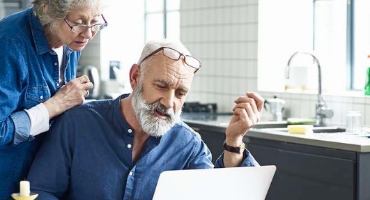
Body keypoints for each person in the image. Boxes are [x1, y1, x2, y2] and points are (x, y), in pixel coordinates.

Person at [27, 39, 264, 200]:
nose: (169, 102)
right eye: (161, 85)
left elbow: (217, 195)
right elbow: (41, 191)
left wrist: (234, 140)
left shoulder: (188, 145)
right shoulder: (78, 124)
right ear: (135, 77)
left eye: (180, 93)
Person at [0, 0, 108, 198]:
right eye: (79, 22)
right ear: (48, 9)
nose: (89, 33)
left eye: (96, 22)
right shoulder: (8, 43)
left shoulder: (71, 39)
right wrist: (55, 105)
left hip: (44, 183)